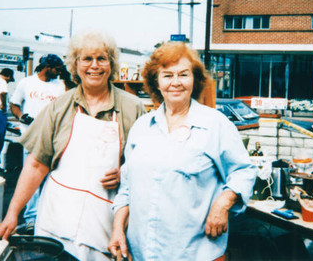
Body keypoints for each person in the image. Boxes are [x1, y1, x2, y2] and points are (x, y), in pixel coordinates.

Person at [0, 30, 146, 261]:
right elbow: (36, 165)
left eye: (101, 59)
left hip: (104, 227)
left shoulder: (133, 108)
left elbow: (146, 168)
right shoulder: (59, 107)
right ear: (75, 64)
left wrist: (125, 174)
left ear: (111, 64)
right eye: (86, 59)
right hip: (55, 223)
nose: (94, 66)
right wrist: (12, 213)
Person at [108, 42, 257, 260]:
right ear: (156, 82)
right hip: (141, 253)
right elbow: (127, 189)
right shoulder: (142, 127)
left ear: (195, 80)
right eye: (167, 76)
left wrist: (223, 203)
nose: (175, 83)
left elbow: (244, 171)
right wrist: (118, 229)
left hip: (195, 253)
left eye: (183, 75)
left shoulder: (215, 124)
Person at [9, 54, 66, 232]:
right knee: (31, 177)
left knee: (51, 177)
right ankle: (31, 218)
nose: (58, 72)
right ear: (46, 66)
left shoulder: (60, 86)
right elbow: (14, 104)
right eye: (56, 68)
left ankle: (47, 217)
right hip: (31, 135)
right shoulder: (26, 83)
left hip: (52, 136)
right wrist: (21, 116)